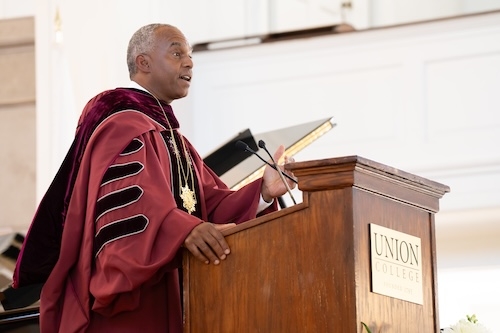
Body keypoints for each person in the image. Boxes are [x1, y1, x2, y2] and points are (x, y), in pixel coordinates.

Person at [12, 23, 296, 332]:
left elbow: (209, 205)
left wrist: (264, 192)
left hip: (175, 294)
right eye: (176, 53)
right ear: (143, 63)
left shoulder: (176, 143)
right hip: (129, 309)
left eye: (189, 56)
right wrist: (182, 230)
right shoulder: (120, 123)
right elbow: (131, 208)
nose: (189, 62)